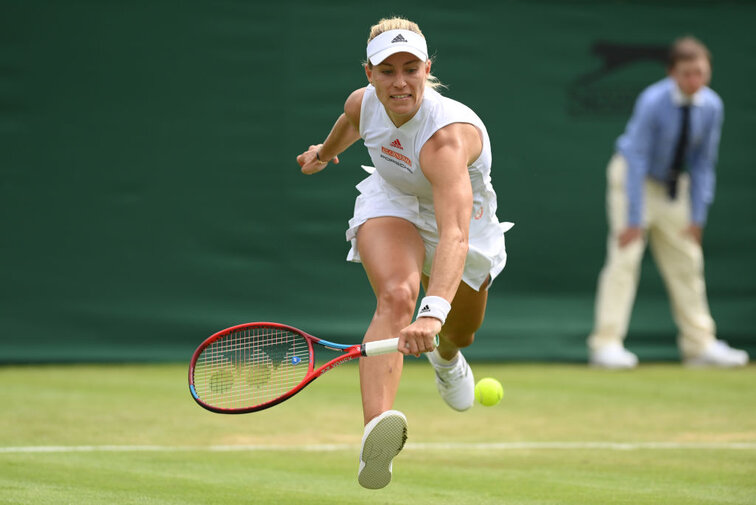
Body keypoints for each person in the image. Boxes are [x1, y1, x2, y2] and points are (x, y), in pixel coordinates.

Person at [296, 17, 512, 489]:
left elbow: (455, 235)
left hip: (461, 225)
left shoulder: (445, 139)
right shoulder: (362, 101)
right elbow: (352, 123)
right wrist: (324, 152)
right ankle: (377, 432)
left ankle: (448, 358)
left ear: (426, 69)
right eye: (386, 69)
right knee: (396, 295)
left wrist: (433, 316)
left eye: (410, 68)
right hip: (392, 201)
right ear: (368, 74)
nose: (399, 81)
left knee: (461, 331)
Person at [587, 36, 748, 369]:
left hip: (673, 188)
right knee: (625, 258)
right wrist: (634, 218)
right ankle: (606, 345)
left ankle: (699, 345)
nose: (694, 81)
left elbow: (704, 162)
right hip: (632, 180)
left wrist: (698, 216)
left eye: (700, 73)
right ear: (672, 73)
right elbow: (637, 157)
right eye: (687, 73)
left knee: (688, 261)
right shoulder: (652, 100)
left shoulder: (712, 106)